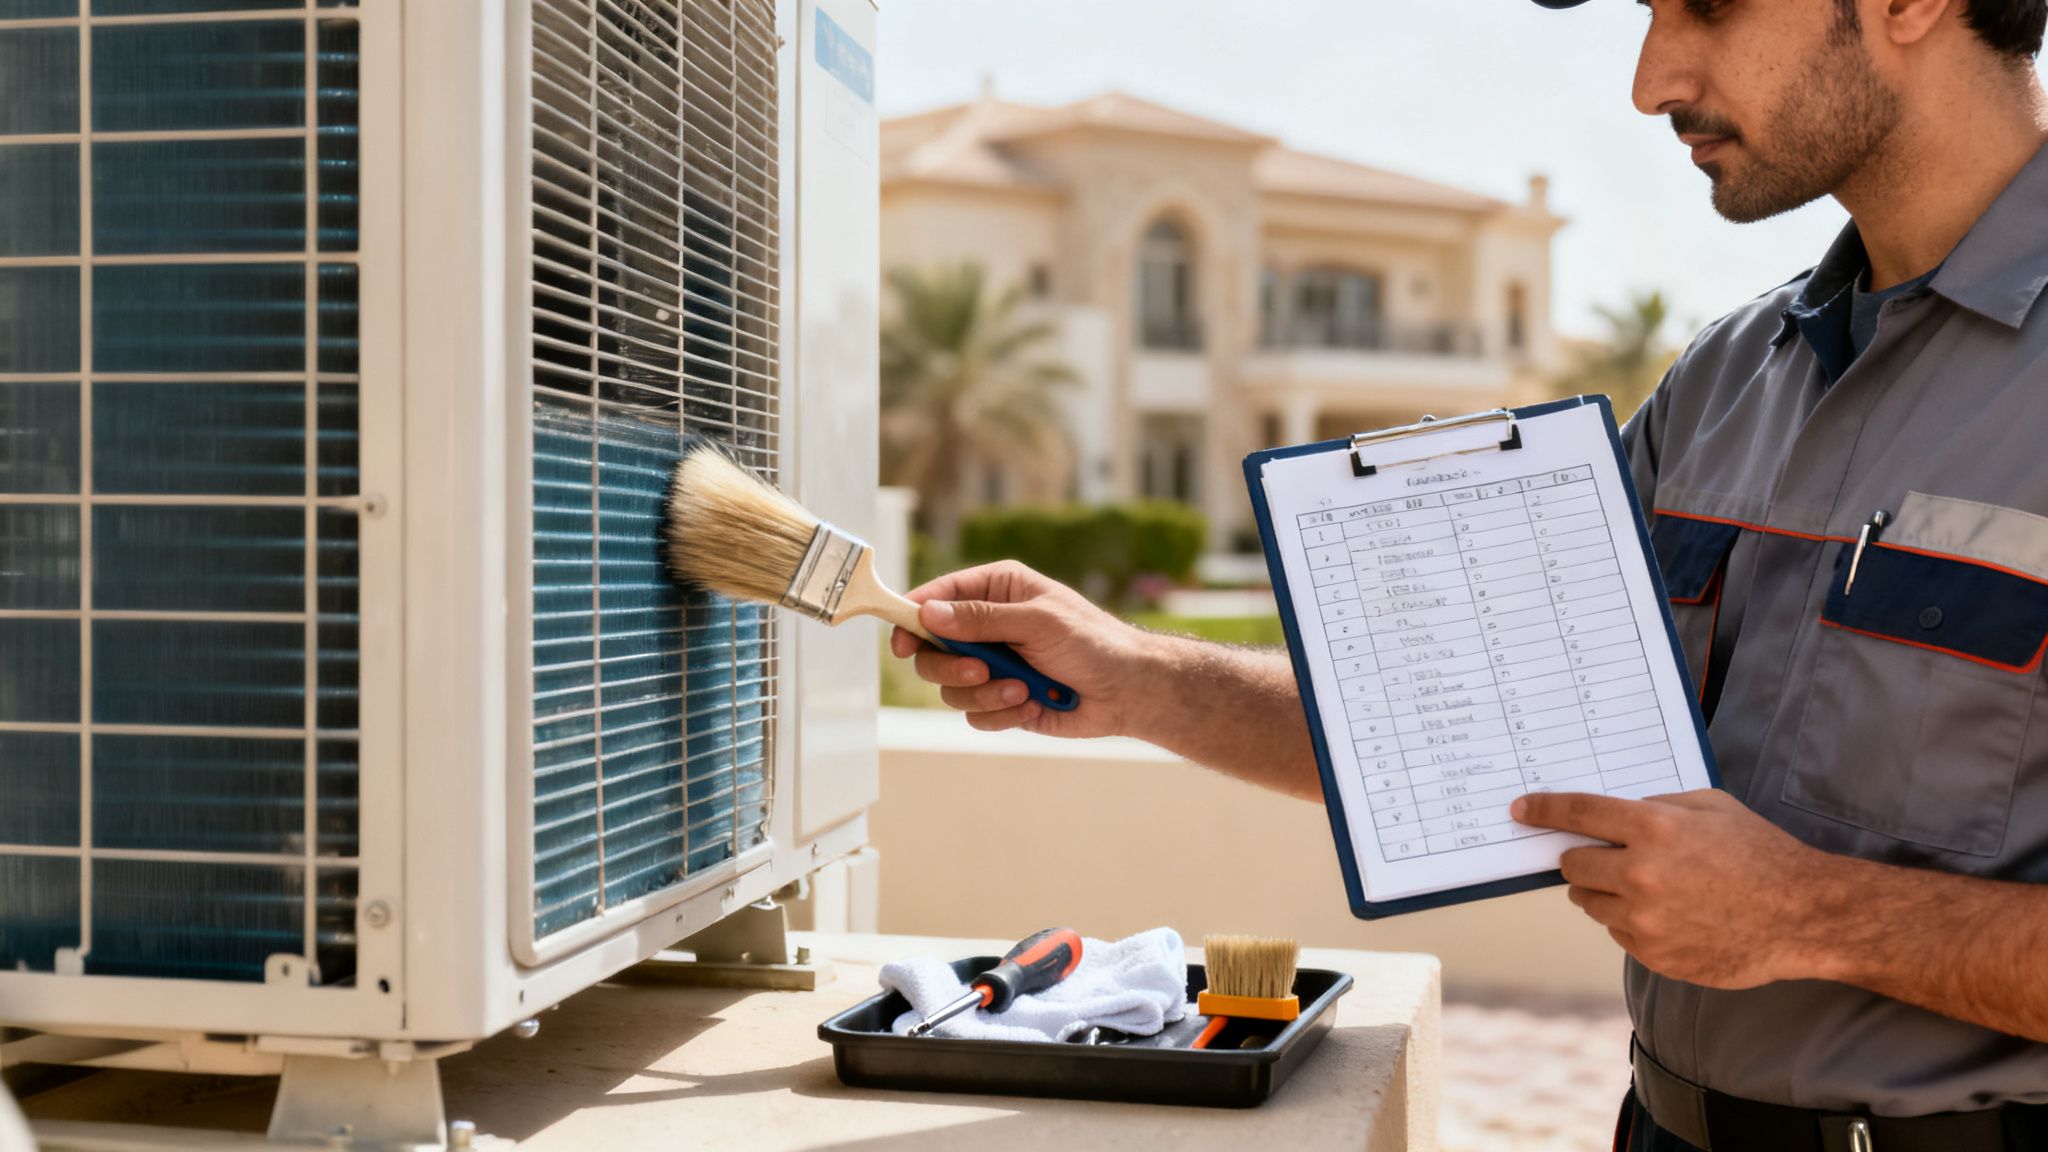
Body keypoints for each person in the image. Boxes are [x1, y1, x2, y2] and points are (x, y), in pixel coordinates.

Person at [893, 1, 2048, 1148]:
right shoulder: (1723, 382)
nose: (1650, 80)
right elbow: (1477, 747)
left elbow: (1781, 905)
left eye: (1704, 5)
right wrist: (1136, 676)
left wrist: (1813, 918)